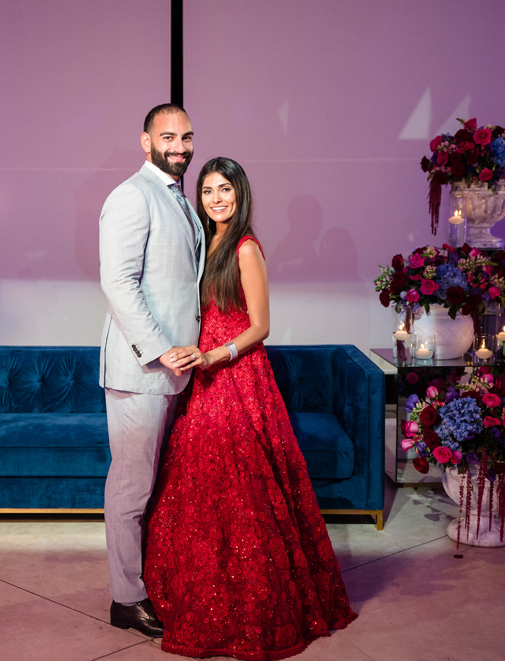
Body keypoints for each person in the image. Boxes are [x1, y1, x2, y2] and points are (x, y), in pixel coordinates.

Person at [144, 157, 357, 660]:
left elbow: (261, 325)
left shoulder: (246, 246)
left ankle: (253, 603)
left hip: (237, 375)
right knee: (200, 487)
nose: (217, 199)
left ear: (241, 194)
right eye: (209, 191)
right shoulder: (206, 242)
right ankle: (203, 594)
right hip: (203, 376)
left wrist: (218, 354)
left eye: (226, 190)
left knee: (246, 491)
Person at [99, 103, 206, 637]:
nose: (180, 146)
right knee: (131, 488)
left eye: (186, 137)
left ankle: (151, 581)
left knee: (157, 487)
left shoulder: (181, 201)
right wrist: (162, 349)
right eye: (168, 136)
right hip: (141, 370)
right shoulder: (131, 196)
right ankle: (125, 600)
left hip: (177, 371)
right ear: (145, 141)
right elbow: (119, 283)